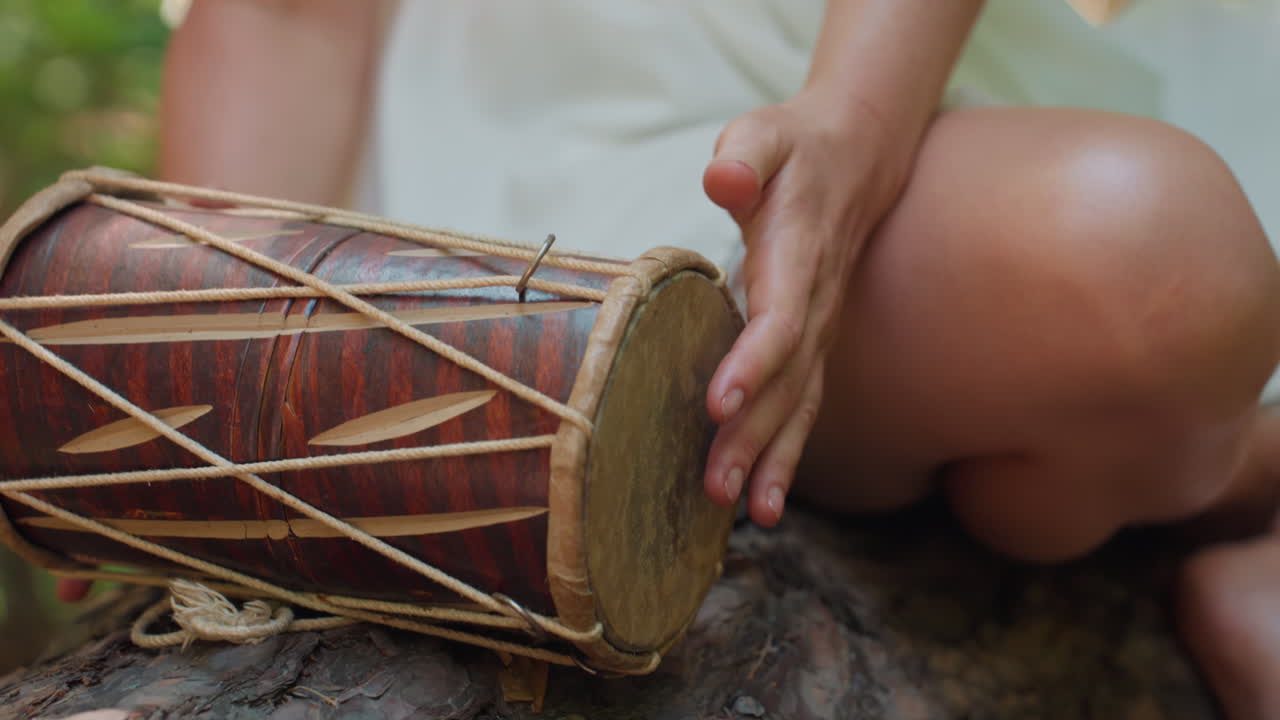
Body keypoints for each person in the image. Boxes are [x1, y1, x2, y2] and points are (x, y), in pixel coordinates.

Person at [62, 1, 1280, 717]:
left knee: (1176, 269)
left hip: (864, 95)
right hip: (465, 214)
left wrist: (854, 128)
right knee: (1156, 263)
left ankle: (1235, 514)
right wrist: (205, 329)